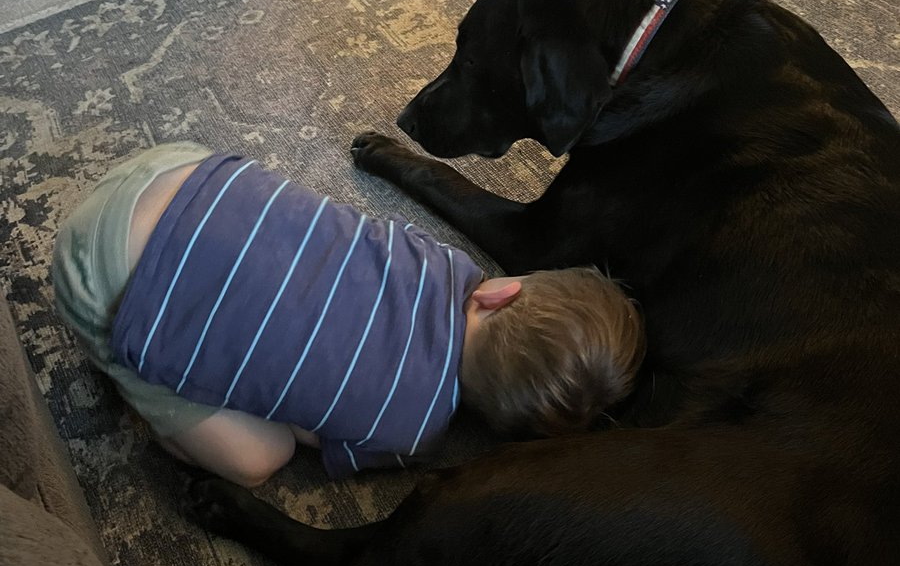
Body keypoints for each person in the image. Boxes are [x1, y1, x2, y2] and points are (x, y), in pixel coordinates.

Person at [53, 143, 645, 487]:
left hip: (182, 170)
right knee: (263, 458)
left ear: (500, 293)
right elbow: (313, 430)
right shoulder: (413, 434)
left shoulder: (441, 261)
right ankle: (128, 365)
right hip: (100, 274)